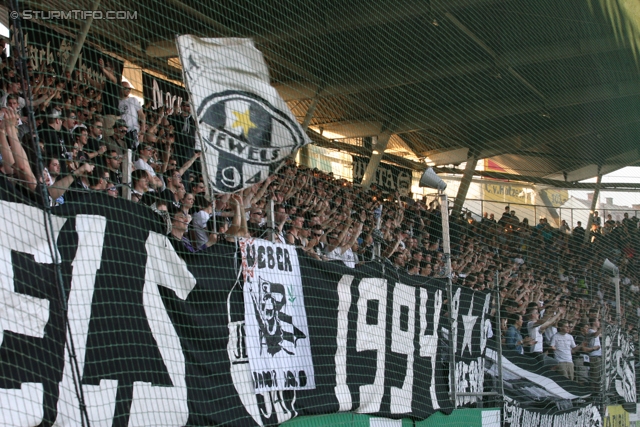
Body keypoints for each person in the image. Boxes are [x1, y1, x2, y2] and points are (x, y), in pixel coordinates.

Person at [118, 81, 145, 149]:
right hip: (122, 131)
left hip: (133, 130)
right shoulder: (117, 101)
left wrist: (143, 126)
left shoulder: (133, 100)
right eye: (126, 88)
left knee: (133, 149)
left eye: (129, 89)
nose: (128, 90)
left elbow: (141, 114)